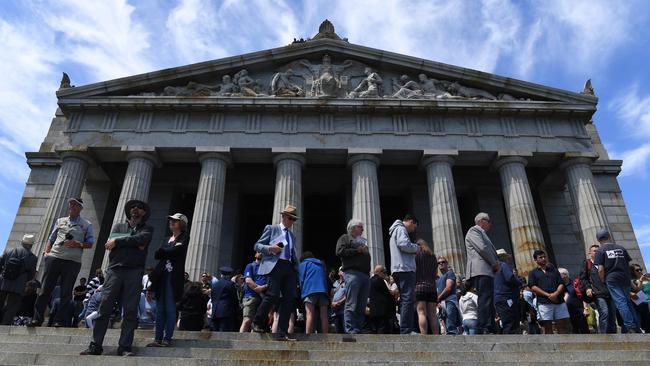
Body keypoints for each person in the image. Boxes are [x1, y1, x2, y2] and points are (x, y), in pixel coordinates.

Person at [80, 199, 154, 356]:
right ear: (129, 211)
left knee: (130, 311)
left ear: (144, 213)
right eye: (133, 207)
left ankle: (125, 347)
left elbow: (141, 241)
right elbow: (110, 246)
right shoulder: (118, 226)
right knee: (104, 308)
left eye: (140, 208)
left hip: (134, 271)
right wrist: (131, 243)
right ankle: (95, 345)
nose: (136, 209)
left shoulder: (148, 228)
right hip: (115, 270)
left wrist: (119, 241)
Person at [30, 198, 94, 328]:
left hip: (72, 261)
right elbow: (52, 237)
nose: (71, 206)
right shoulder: (60, 221)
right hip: (55, 257)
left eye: (75, 204)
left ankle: (60, 320)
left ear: (80, 208)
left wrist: (78, 244)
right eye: (70, 204)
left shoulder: (87, 224)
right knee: (45, 290)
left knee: (66, 292)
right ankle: (37, 319)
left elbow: (90, 243)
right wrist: (46, 253)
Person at [252, 205, 300, 341]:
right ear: (283, 216)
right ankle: (257, 321)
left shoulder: (292, 236)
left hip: (289, 266)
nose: (292, 222)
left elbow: (292, 254)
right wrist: (270, 248)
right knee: (272, 295)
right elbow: (257, 245)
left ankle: (282, 332)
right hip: (275, 265)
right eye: (290, 218)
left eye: (294, 219)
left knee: (289, 298)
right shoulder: (271, 228)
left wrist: (296, 270)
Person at [147, 213, 190, 347]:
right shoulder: (167, 238)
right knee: (160, 309)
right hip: (162, 277)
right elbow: (157, 254)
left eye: (174, 221)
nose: (171, 222)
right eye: (170, 220)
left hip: (173, 277)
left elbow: (177, 250)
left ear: (181, 223)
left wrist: (166, 250)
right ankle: (157, 338)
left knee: (170, 308)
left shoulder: (184, 237)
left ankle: (168, 337)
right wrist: (169, 249)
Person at [594, 229, 641, 333]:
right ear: (609, 236)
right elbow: (627, 265)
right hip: (624, 278)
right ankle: (636, 325)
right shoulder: (621, 248)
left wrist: (603, 280)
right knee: (628, 301)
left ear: (598, 239)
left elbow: (600, 269)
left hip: (612, 278)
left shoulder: (600, 251)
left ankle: (630, 326)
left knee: (621, 302)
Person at [464, 212, 500, 334]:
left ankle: (490, 326)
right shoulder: (474, 230)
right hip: (481, 269)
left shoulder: (481, 233)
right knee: (485, 298)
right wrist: (494, 262)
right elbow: (482, 248)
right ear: (482, 221)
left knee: (488, 298)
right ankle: (484, 326)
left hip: (486, 270)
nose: (490, 224)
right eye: (488, 221)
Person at [335, 218, 371, 334]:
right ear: (353, 228)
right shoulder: (345, 238)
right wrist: (357, 251)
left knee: (361, 305)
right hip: (352, 273)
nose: (363, 229)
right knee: (351, 302)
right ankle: (350, 329)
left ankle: (358, 328)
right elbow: (339, 251)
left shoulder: (362, 241)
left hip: (365, 275)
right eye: (360, 227)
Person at [388, 214, 421, 334]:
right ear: (411, 222)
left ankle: (406, 329)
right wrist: (416, 248)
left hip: (398, 269)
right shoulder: (401, 229)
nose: (414, 230)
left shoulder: (395, 230)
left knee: (405, 299)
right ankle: (407, 330)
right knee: (408, 299)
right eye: (414, 227)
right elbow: (403, 245)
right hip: (404, 268)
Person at [527, 249, 569, 334]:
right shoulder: (533, 273)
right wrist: (548, 295)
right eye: (540, 257)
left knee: (562, 325)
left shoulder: (554, 270)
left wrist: (555, 294)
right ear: (535, 260)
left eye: (544, 256)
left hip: (559, 301)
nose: (543, 259)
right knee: (547, 326)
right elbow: (533, 286)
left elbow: (561, 283)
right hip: (544, 302)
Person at [0, 234, 38, 325]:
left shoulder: (9, 251)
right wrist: (24, 280)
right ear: (31, 245)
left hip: (4, 282)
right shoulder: (33, 258)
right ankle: (4, 326)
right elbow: (31, 275)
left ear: (22, 242)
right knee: (12, 307)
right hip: (19, 285)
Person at [579, 244, 616, 333]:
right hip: (598, 293)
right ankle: (604, 335)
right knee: (604, 312)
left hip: (609, 292)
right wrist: (588, 288)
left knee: (612, 315)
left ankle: (614, 335)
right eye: (595, 251)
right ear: (590, 253)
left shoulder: (605, 263)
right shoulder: (587, 263)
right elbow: (583, 278)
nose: (597, 252)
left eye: (598, 251)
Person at [299, 251, 329, 334]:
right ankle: (325, 336)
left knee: (309, 314)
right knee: (324, 315)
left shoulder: (304, 264)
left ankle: (308, 336)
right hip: (323, 291)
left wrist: (301, 291)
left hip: (310, 290)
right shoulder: (321, 264)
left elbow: (301, 279)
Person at [493, 249, 522, 334]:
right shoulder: (503, 265)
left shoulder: (493, 268)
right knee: (511, 323)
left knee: (506, 323)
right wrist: (519, 282)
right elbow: (510, 278)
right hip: (507, 297)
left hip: (498, 298)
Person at [415, 239, 438, 335]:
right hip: (432, 287)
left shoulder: (416, 255)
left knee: (421, 313)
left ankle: (424, 336)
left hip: (419, 286)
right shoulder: (433, 256)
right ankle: (436, 335)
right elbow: (435, 273)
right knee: (432, 314)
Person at [240, 252, 268, 332]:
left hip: (262, 297)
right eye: (259, 252)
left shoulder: (267, 268)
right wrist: (258, 288)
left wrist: (264, 287)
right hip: (250, 296)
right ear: (255, 254)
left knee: (257, 323)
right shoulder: (250, 266)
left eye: (263, 252)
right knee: (247, 320)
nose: (261, 253)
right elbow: (248, 280)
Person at [559, 267, 589, 333]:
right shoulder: (559, 286)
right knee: (573, 331)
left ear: (565, 275)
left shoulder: (575, 284)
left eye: (559, 274)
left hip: (579, 311)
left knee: (584, 330)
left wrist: (585, 309)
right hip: (566, 313)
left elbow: (583, 297)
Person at [211, 266, 239, 332]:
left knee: (215, 333)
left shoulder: (214, 285)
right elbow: (234, 298)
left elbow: (212, 297)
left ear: (221, 274)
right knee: (224, 333)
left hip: (215, 311)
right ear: (229, 275)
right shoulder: (230, 284)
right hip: (226, 312)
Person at [437, 256, 460, 335]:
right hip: (442, 304)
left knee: (451, 327)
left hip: (449, 302)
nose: (441, 264)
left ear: (447, 263)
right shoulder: (439, 279)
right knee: (445, 328)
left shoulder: (450, 273)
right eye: (439, 263)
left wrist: (438, 298)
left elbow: (448, 288)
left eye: (443, 262)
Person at [368, 265, 394, 334]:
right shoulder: (379, 280)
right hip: (382, 311)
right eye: (384, 272)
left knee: (374, 330)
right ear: (380, 272)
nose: (385, 274)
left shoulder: (370, 281)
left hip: (373, 311)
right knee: (382, 330)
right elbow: (387, 293)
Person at [630, 263, 650, 332]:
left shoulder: (647, 279)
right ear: (632, 272)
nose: (640, 271)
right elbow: (638, 292)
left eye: (640, 269)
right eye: (637, 270)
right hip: (643, 304)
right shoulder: (633, 282)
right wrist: (640, 281)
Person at [330, 268, 346, 333]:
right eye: (341, 270)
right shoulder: (335, 283)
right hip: (335, 312)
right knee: (338, 332)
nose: (343, 272)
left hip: (344, 311)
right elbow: (331, 294)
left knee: (346, 331)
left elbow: (348, 295)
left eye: (344, 270)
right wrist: (332, 302)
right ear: (338, 273)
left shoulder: (347, 282)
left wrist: (340, 302)